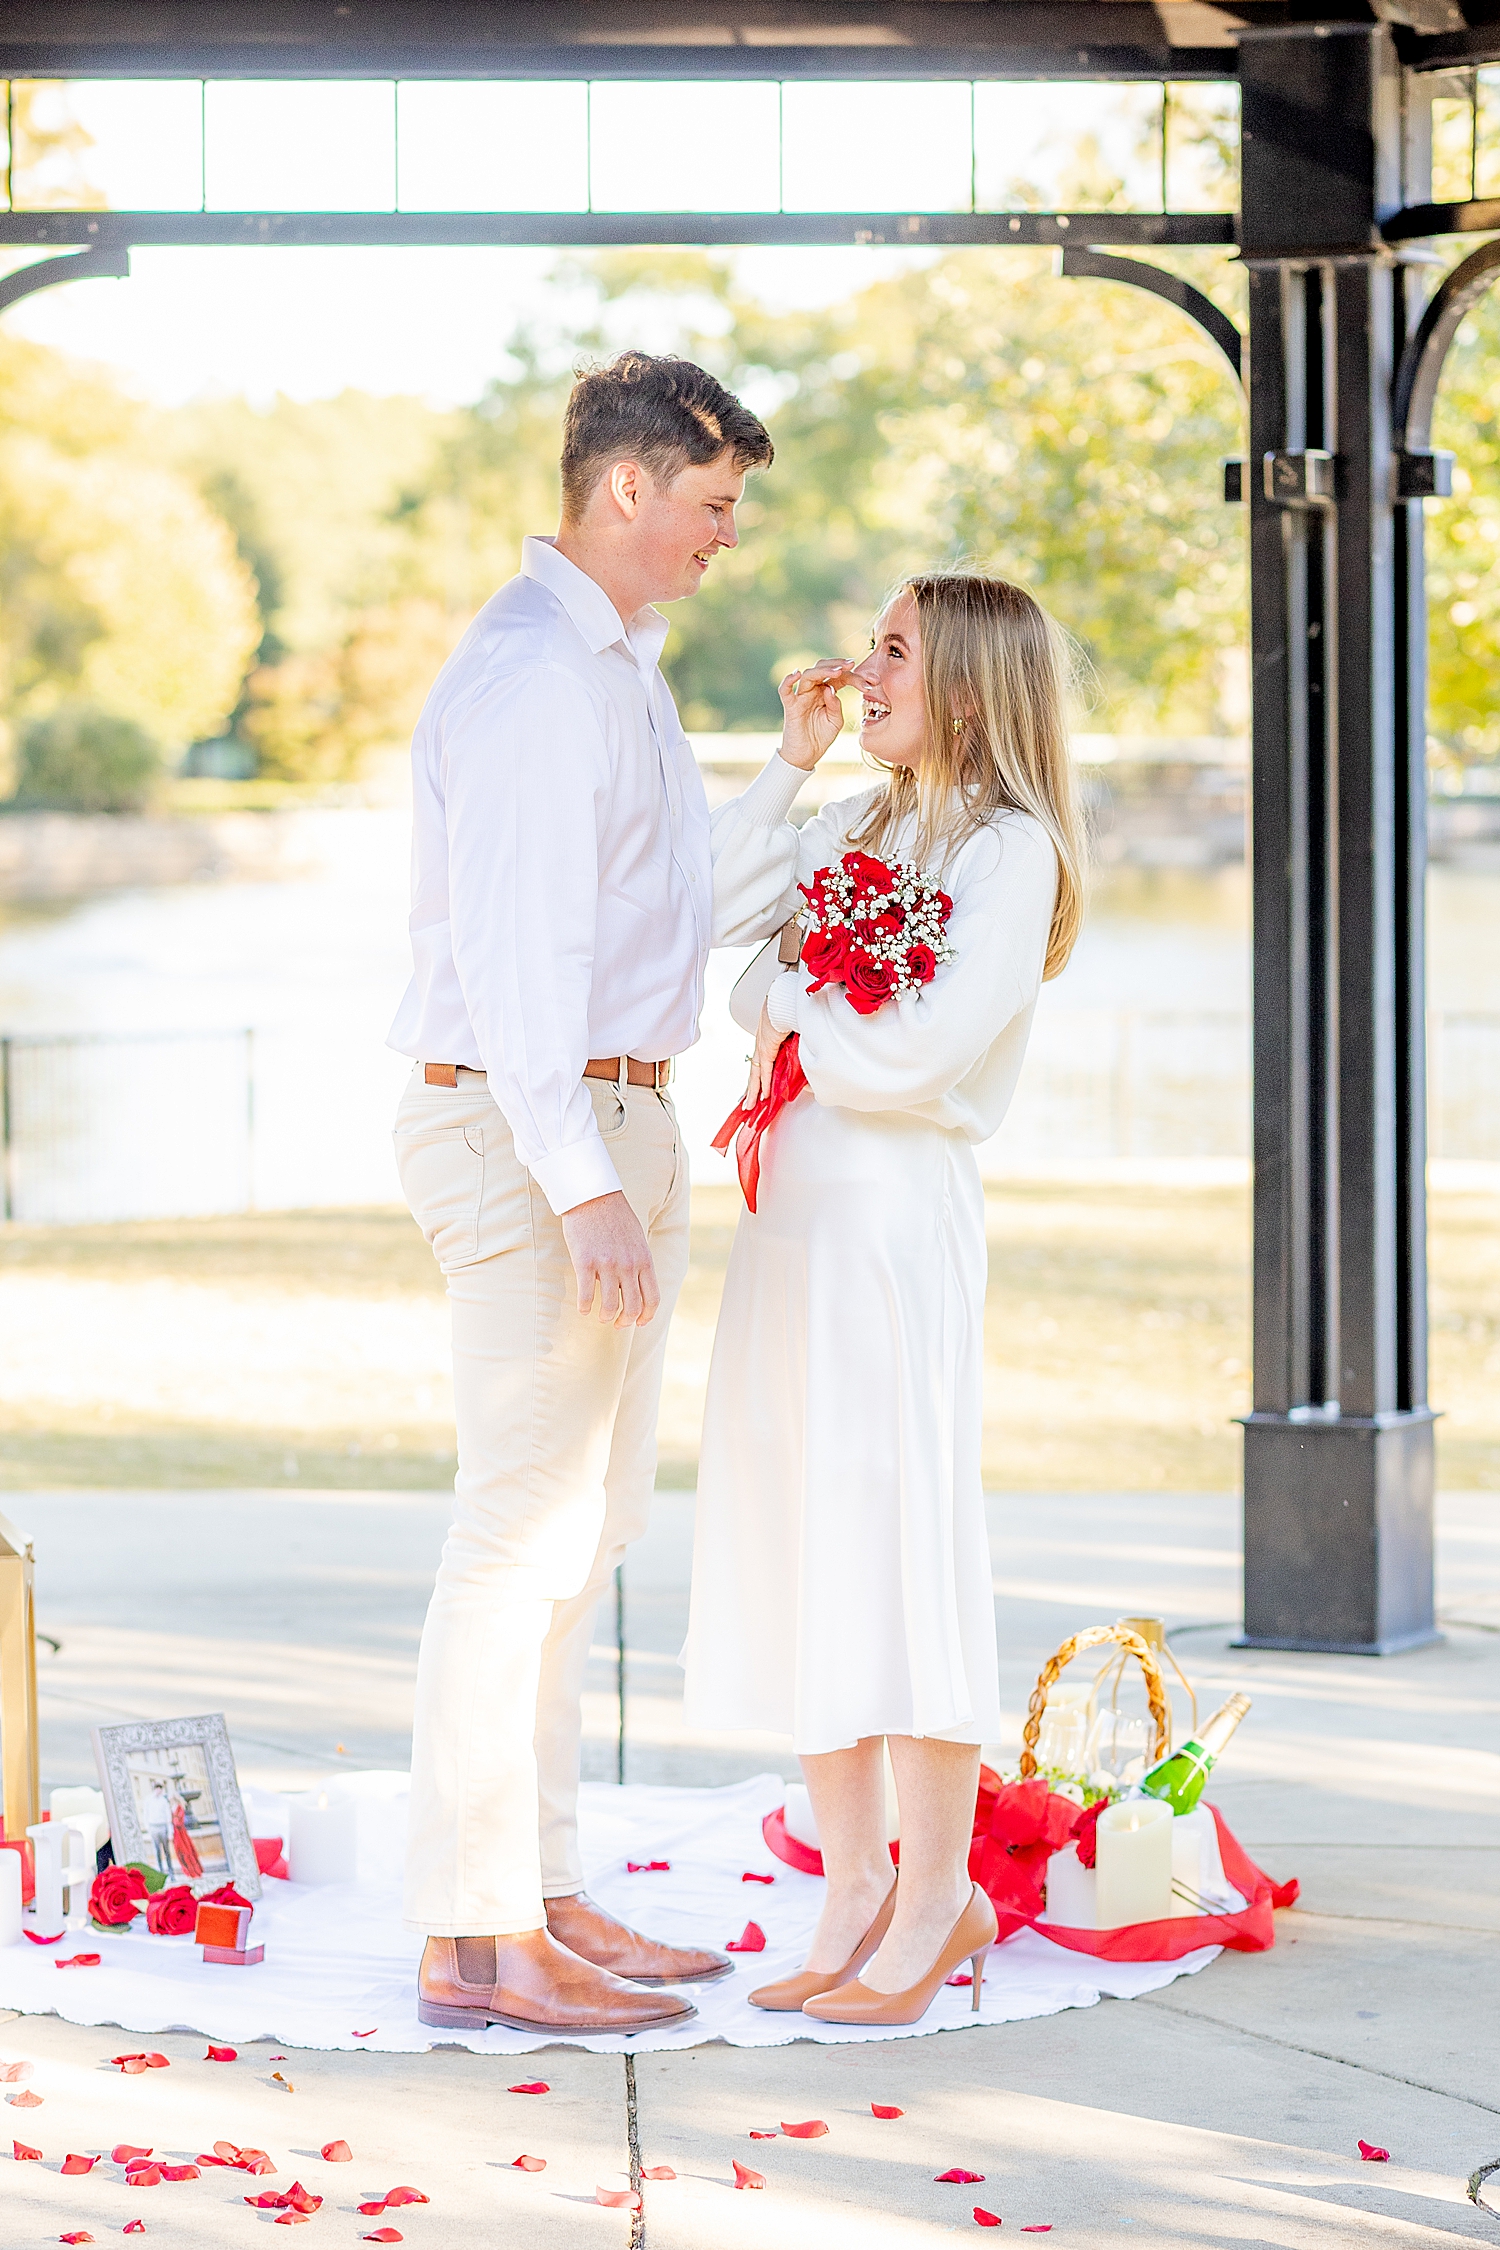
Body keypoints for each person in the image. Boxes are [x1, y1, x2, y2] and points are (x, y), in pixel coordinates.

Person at [388, 351, 774, 2036]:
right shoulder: (543, 674)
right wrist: (579, 1186)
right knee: (517, 1533)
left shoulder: (622, 668)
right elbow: (518, 959)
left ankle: (536, 1888)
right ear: (625, 487)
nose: (723, 537)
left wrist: (795, 765)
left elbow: (660, 924)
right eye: (709, 504)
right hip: (539, 1133)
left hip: (615, 1124)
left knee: (579, 1536)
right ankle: (472, 1936)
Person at [685, 571, 1085, 2026]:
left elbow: (911, 1059)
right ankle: (848, 1882)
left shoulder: (1009, 852)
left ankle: (937, 1893)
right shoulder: (861, 819)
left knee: (898, 1538)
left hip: (891, 1229)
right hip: (793, 1213)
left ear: (968, 685)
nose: (859, 667)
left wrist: (793, 1000)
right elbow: (715, 922)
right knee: (806, 1538)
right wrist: (788, 760)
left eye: (894, 649)